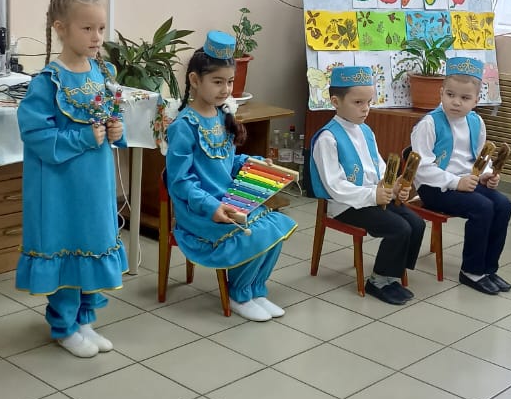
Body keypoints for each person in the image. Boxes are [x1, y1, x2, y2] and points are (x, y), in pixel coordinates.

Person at [15, 0, 126, 357]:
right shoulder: (48, 81)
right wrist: (82, 138)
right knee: (67, 248)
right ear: (60, 29)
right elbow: (36, 136)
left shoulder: (101, 74)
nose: (97, 37)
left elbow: (109, 118)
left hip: (94, 183)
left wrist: (116, 130)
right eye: (87, 28)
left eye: (100, 28)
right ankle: (63, 325)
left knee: (93, 243)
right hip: (61, 187)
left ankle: (85, 318)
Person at [166, 32, 296, 322]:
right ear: (194, 80)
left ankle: (254, 289)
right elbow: (180, 181)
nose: (226, 89)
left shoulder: (220, 115)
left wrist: (256, 162)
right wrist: (211, 207)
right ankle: (239, 294)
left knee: (274, 228)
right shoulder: (184, 126)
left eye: (230, 82)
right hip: (199, 211)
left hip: (230, 200)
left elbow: (227, 161)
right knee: (256, 232)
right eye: (217, 81)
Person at [308, 64, 423, 305]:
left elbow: (379, 168)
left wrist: (394, 185)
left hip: (372, 197)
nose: (365, 109)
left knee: (416, 223)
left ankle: (393, 274)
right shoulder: (327, 138)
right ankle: (378, 280)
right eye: (358, 102)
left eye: (369, 102)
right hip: (345, 205)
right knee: (398, 228)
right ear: (336, 102)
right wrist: (374, 195)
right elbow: (334, 186)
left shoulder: (366, 131)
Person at [412, 57, 511, 295]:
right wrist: (455, 182)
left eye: (465, 98)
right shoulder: (428, 124)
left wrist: (487, 175)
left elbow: (480, 158)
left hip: (467, 181)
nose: (456, 102)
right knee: (482, 208)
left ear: (476, 100)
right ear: (441, 92)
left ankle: (488, 268)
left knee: (503, 205)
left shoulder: (476, 121)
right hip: (435, 186)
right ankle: (471, 270)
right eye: (450, 95)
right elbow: (421, 167)